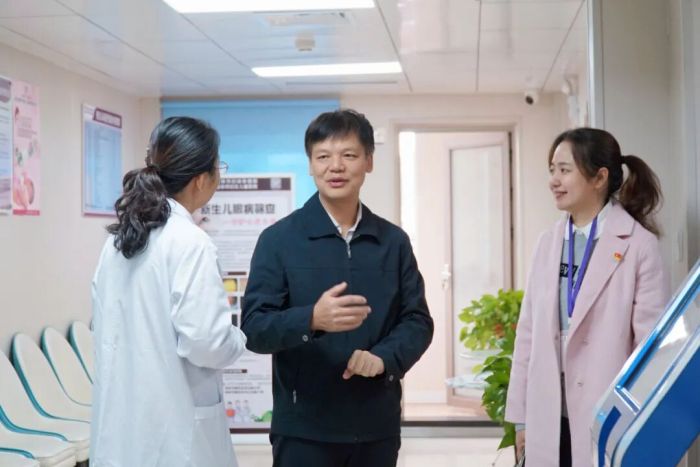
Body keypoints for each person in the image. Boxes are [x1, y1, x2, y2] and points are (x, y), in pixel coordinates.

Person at [241, 109, 434, 467]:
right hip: (304, 431)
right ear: (310, 165)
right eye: (323, 157)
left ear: (369, 161)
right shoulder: (279, 240)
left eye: (349, 155)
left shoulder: (393, 242)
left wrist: (384, 358)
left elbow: (417, 320)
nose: (336, 167)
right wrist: (311, 319)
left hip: (376, 426)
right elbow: (254, 328)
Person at [505, 128, 670, 467]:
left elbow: (649, 348)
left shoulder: (638, 245)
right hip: (549, 413)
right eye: (552, 170)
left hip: (606, 414)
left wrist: (637, 425)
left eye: (564, 170)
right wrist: (521, 418)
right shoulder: (548, 243)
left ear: (599, 178)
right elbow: (528, 335)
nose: (554, 180)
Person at [91, 117, 247, 466]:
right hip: (176, 436)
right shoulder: (190, 242)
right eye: (218, 167)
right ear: (201, 179)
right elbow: (207, 343)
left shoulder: (118, 241)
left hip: (123, 427)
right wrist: (236, 339)